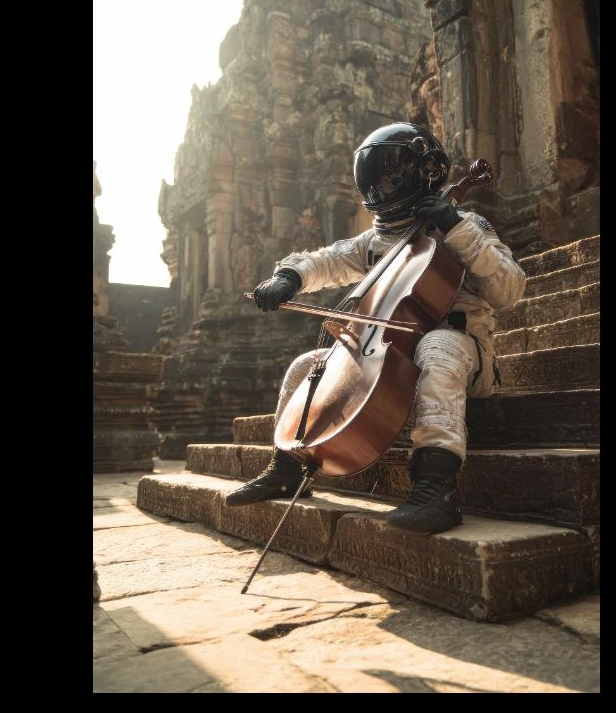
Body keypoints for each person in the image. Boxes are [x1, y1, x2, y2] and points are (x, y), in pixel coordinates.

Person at [225, 122, 526, 534]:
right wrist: (290, 276)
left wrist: (455, 228)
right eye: (378, 180)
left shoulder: (465, 225)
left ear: (423, 172)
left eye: (391, 177)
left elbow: (510, 288)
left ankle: (436, 486)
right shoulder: (374, 241)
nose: (383, 188)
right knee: (303, 367)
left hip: (463, 360)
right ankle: (286, 467)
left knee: (437, 345)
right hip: (387, 360)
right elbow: (327, 260)